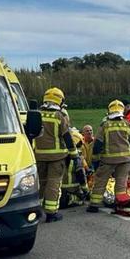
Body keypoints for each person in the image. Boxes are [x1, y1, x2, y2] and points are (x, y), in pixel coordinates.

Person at [88, 99, 130, 212]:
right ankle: (119, 203)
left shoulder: (105, 125)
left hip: (108, 160)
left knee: (101, 181)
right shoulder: (127, 124)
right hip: (125, 160)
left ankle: (94, 205)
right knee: (121, 183)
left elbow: (97, 145)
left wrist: (95, 160)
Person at [34, 87, 74, 222]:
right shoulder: (59, 117)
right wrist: (74, 154)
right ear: (59, 101)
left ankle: (36, 210)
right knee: (53, 183)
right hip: (57, 157)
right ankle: (51, 213)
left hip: (38, 155)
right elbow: (67, 137)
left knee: (40, 182)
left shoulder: (37, 114)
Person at [60, 127, 89, 208]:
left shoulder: (59, 156)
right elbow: (81, 176)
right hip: (72, 190)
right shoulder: (76, 159)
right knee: (82, 198)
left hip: (59, 190)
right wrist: (86, 191)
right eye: (80, 144)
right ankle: (72, 199)